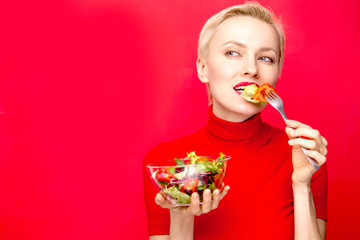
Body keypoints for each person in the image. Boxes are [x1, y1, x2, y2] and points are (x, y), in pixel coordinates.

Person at [143, 2, 328, 240]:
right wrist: (182, 216)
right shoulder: (164, 165)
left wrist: (302, 185)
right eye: (233, 53)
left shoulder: (303, 154)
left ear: (277, 74)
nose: (251, 68)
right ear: (203, 68)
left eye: (265, 58)